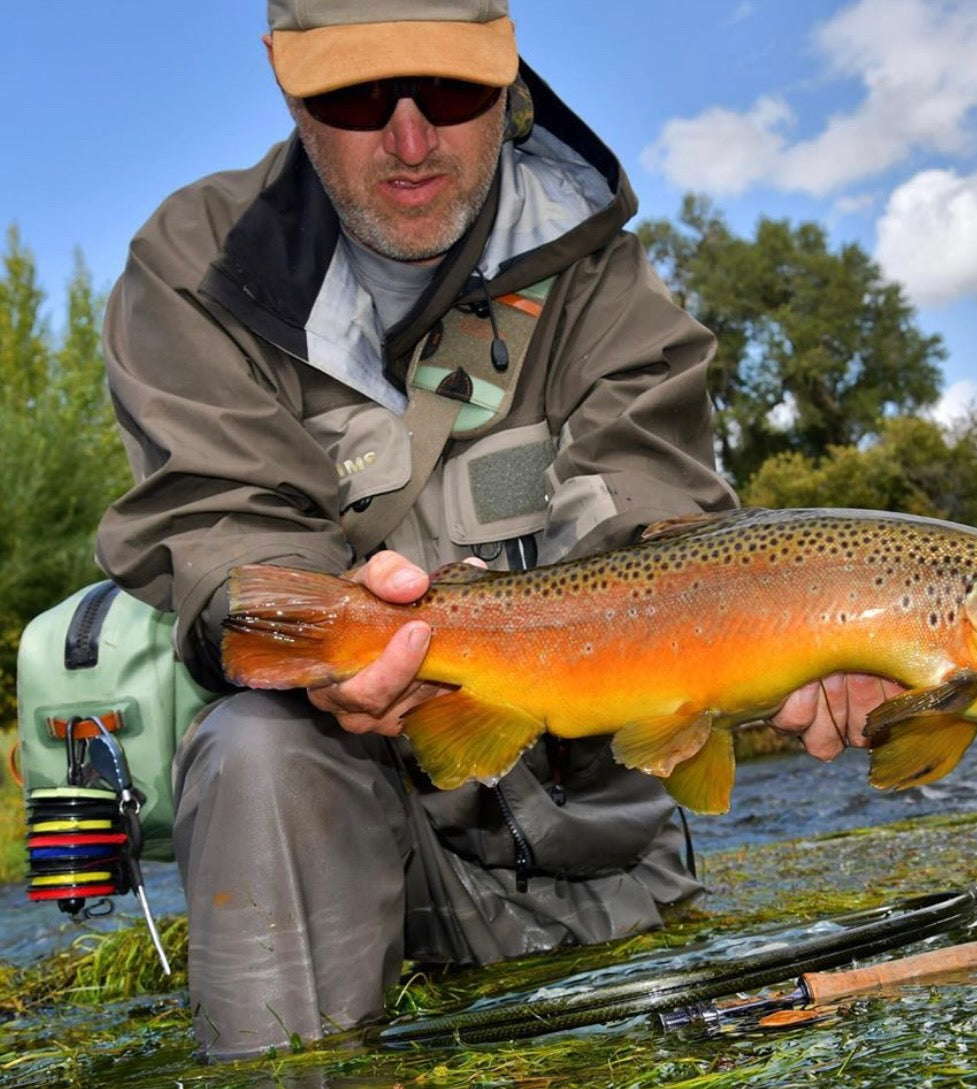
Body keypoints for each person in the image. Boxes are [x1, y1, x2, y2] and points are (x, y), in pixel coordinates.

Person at [96, 0, 898, 1059]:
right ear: (284, 80)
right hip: (345, 846)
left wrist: (807, 639)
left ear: (509, 68)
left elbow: (666, 530)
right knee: (257, 748)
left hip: (598, 868)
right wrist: (328, 651)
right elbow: (223, 526)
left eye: (453, 87)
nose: (412, 136)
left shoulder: (604, 284)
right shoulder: (195, 269)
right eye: (358, 94)